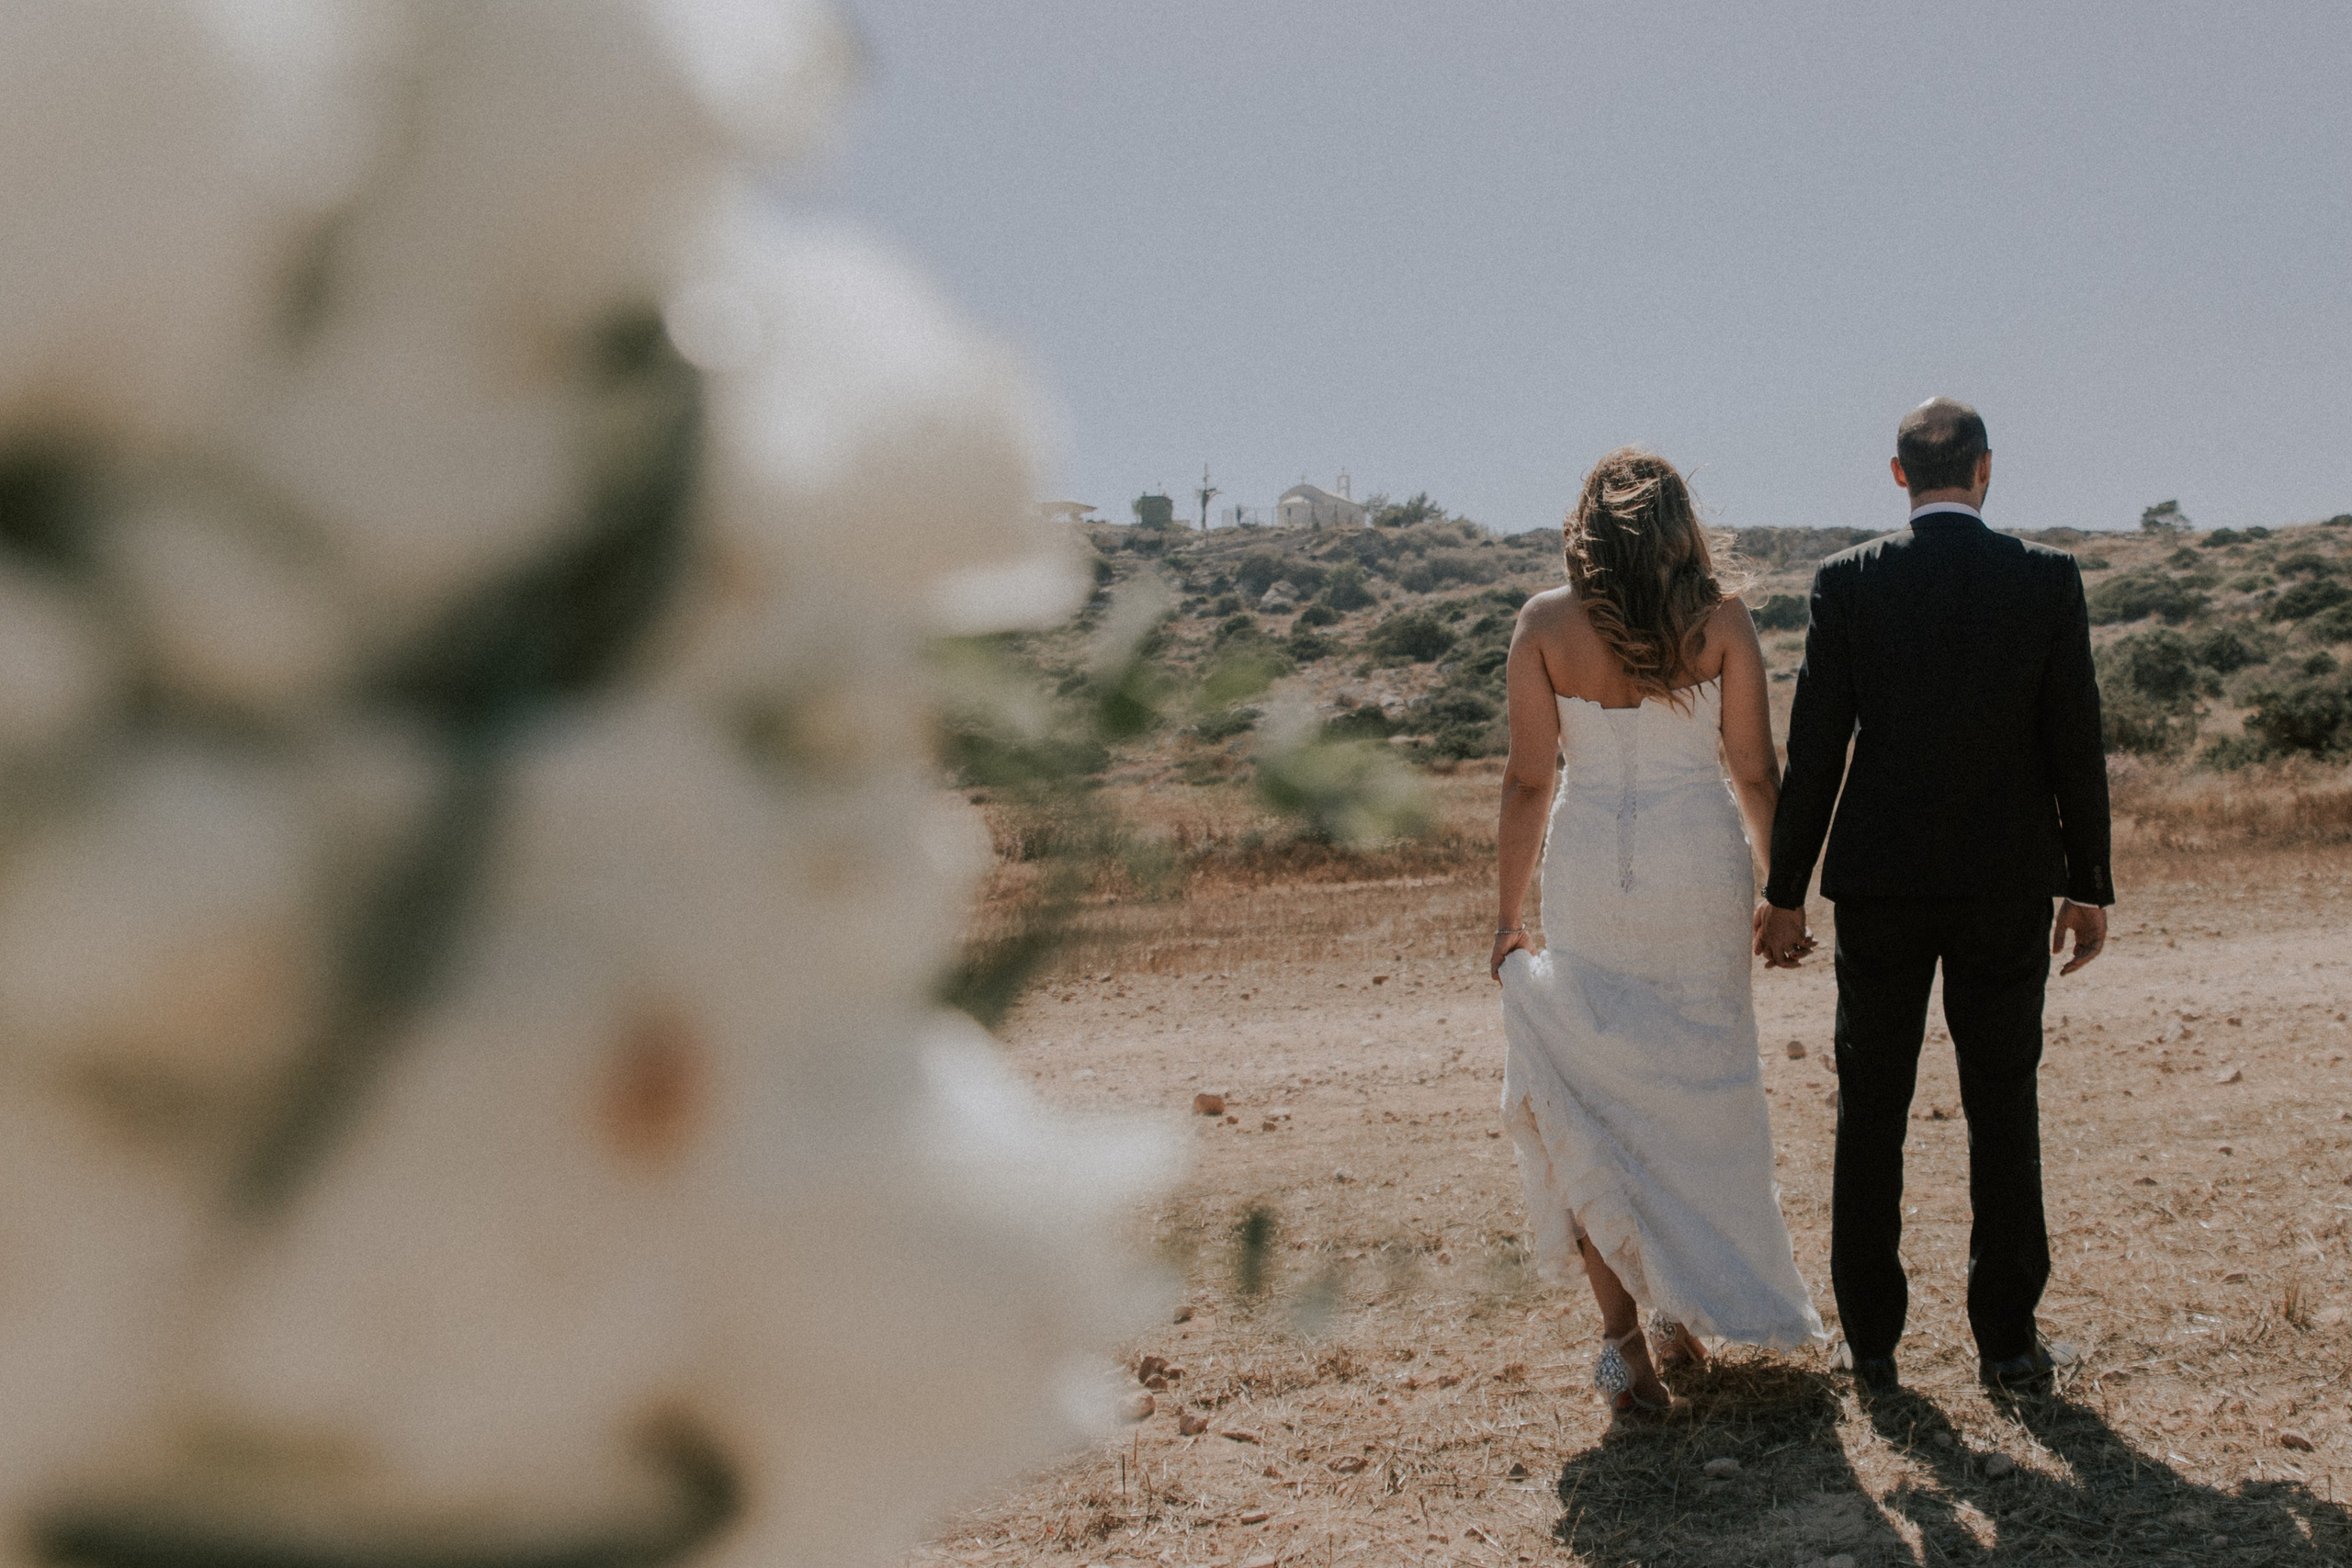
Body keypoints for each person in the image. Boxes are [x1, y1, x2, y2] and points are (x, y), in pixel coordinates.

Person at [1756, 398, 2111, 1394]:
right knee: (2004, 1101)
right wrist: (2085, 883)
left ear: (1899, 474)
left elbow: (1817, 742)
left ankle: (1868, 1344)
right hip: (2005, 882)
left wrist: (1782, 890)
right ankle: (2007, 1344)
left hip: (1880, 884)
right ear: (1985, 471)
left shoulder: (1848, 582)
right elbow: (2071, 738)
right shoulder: (2044, 579)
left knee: (1870, 1106)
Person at [1492, 448, 1825, 1416]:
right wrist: (1784, 890)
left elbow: (1526, 780)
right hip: (1696, 869)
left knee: (1595, 1092)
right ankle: (1677, 1311)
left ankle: (1626, 1340)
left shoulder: (1544, 624)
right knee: (1698, 1091)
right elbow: (1756, 772)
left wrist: (1507, 918)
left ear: (1585, 526)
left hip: (1592, 868)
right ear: (1680, 524)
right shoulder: (1717, 620)